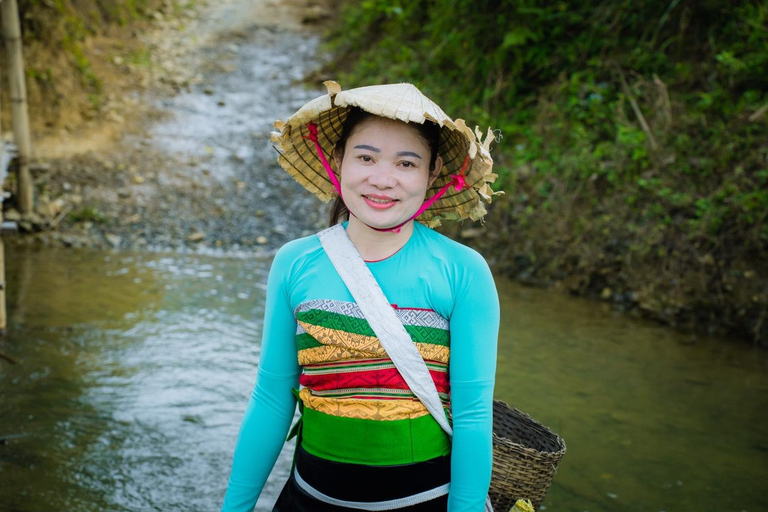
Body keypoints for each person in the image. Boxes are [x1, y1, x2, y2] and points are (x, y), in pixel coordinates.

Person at [222, 81, 501, 512]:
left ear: (432, 172)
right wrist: (234, 508)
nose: (382, 179)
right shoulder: (294, 262)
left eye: (406, 163)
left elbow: (473, 415)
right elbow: (273, 397)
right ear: (338, 161)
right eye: (366, 157)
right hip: (307, 500)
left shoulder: (463, 272)